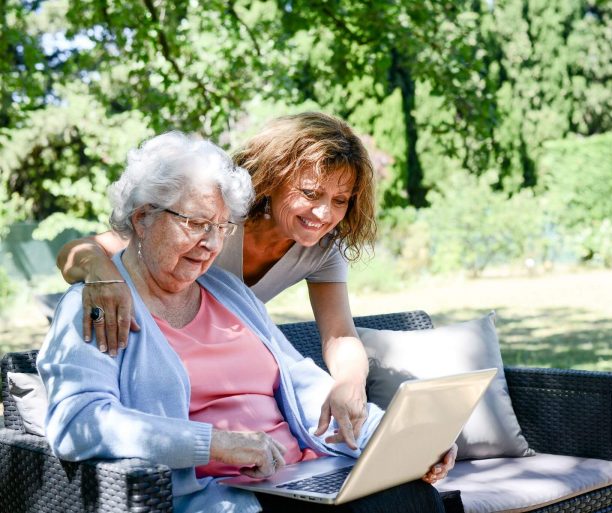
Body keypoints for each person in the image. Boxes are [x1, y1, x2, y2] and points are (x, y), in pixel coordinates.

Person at [38, 132, 456, 513]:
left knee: (415, 498)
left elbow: (305, 387)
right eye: (196, 224)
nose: (210, 245)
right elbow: (79, 423)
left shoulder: (226, 291)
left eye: (220, 228)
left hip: (300, 479)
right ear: (143, 218)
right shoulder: (98, 304)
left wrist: (401, 437)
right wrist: (215, 444)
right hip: (225, 496)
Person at [57, 112, 377, 448]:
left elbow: (339, 335)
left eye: (340, 201)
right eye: (311, 193)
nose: (324, 213)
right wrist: (102, 274)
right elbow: (80, 250)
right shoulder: (218, 215)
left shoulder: (321, 249)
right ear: (274, 177)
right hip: (169, 344)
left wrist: (350, 384)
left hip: (230, 347)